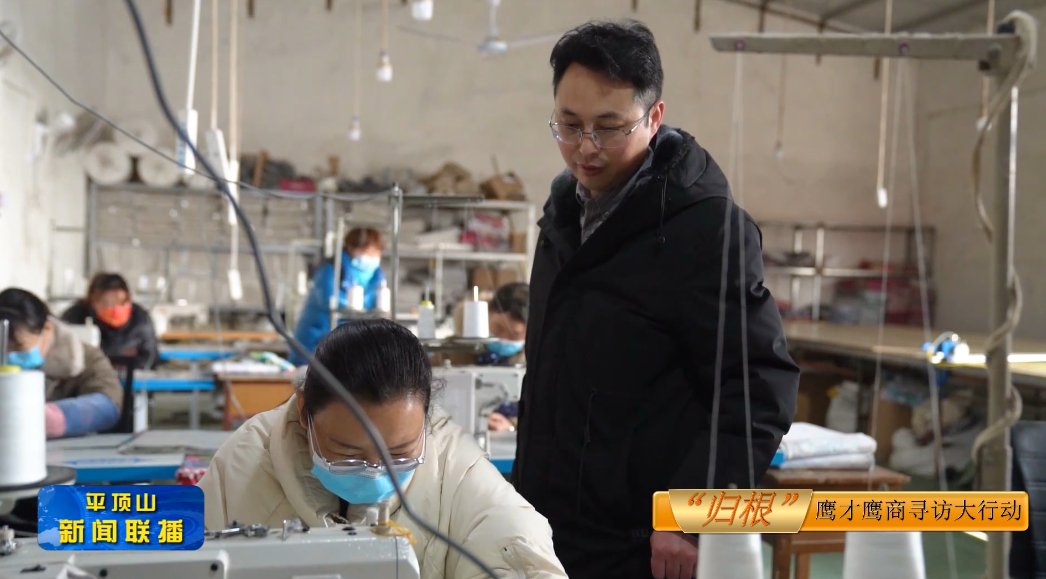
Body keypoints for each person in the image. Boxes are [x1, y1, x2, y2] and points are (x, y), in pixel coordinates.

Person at [513, 20, 800, 579]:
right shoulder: (562, 219)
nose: (585, 147)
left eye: (609, 127)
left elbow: (758, 386)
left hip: (642, 542)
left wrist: (689, 515)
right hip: (549, 526)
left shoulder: (705, 230)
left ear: (654, 117)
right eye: (569, 125)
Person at [198, 319, 567, 578]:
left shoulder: (456, 471)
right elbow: (179, 547)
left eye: (400, 453)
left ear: (426, 418)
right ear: (304, 412)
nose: (375, 471)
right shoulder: (243, 463)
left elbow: (516, 542)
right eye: (347, 453)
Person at [0, 288, 124, 438]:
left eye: (19, 347)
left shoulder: (85, 359)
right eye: (2, 348)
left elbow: (108, 405)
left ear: (46, 329)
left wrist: (54, 417)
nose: (10, 355)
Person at [290, 228, 386, 366]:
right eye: (366, 253)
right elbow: (328, 301)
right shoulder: (330, 270)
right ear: (351, 248)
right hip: (317, 341)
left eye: (375, 254)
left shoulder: (376, 276)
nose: (371, 258)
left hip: (348, 344)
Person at [60, 272, 159, 369]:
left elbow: (149, 359)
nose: (115, 309)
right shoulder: (74, 317)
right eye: (107, 304)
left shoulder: (140, 320)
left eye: (121, 303)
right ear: (92, 303)